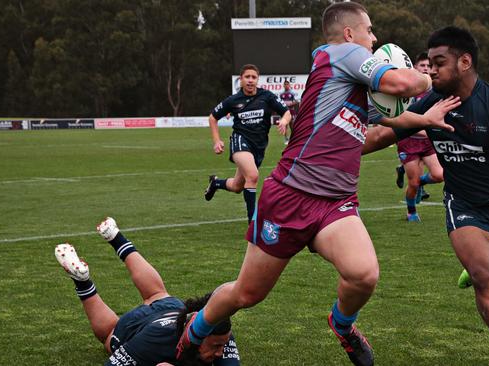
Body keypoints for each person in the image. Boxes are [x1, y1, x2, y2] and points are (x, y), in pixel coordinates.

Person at [176, 3, 457, 366]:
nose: (375, 38)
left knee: (364, 275)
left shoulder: (350, 87)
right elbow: (402, 83)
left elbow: (369, 138)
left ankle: (342, 326)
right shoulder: (341, 54)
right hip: (290, 195)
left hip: (334, 202)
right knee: (247, 294)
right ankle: (191, 334)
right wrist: (426, 77)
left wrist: (422, 120)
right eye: (370, 30)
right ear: (350, 34)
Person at [363, 26, 489, 366]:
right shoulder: (430, 104)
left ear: (465, 62)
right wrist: (334, 150)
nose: (430, 70)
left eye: (438, 62)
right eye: (428, 63)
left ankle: (478, 266)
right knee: (484, 277)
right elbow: (378, 137)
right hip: (464, 205)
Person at [55, 217, 240, 366]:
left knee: (157, 293)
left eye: (223, 345)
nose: (220, 352)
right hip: (139, 327)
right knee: (108, 336)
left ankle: (116, 237)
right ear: (196, 335)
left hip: (174, 309)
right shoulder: (153, 342)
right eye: (216, 346)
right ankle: (82, 282)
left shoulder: (218, 326)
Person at [204, 64, 292, 223]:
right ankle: (253, 222)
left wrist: (284, 121)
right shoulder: (233, 100)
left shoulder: (267, 96)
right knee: (252, 175)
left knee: (238, 186)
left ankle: (216, 183)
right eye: (247, 77)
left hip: (258, 146)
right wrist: (217, 141)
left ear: (257, 80)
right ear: (241, 80)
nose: (250, 80)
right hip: (240, 141)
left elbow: (286, 112)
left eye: (254, 77)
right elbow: (212, 117)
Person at [391, 52, 444, 221]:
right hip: (409, 143)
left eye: (429, 66)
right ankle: (411, 212)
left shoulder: (433, 90)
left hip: (427, 143)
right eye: (422, 66)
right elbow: (404, 121)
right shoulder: (408, 91)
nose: (426, 69)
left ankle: (418, 181)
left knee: (439, 175)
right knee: (412, 184)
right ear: (414, 68)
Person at [279, 80, 299, 145]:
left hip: (291, 111)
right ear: (283, 85)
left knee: (292, 125)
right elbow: (280, 102)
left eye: (287, 84)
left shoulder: (292, 93)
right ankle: (286, 139)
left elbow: (296, 101)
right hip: (284, 111)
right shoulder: (281, 94)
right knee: (285, 125)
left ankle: (293, 138)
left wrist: (291, 104)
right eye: (285, 84)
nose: (286, 86)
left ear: (289, 85)